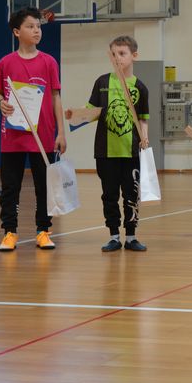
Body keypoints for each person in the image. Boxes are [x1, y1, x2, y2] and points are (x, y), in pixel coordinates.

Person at [0, 6, 66, 251]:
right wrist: (0, 103)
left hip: (43, 135)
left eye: (38, 26)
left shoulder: (49, 62)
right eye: (30, 26)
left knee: (43, 187)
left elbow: (56, 97)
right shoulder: (5, 63)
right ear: (17, 32)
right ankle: (9, 232)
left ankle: (43, 231)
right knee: (10, 187)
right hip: (12, 135)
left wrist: (61, 132)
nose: (37, 31)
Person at [85, 35, 150, 252]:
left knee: (131, 195)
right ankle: (113, 235)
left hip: (131, 151)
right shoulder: (102, 83)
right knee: (109, 195)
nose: (117, 58)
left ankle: (131, 236)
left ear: (134, 56)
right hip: (105, 151)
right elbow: (92, 112)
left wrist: (144, 136)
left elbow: (143, 118)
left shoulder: (140, 87)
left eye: (122, 53)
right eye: (114, 54)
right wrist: (76, 115)